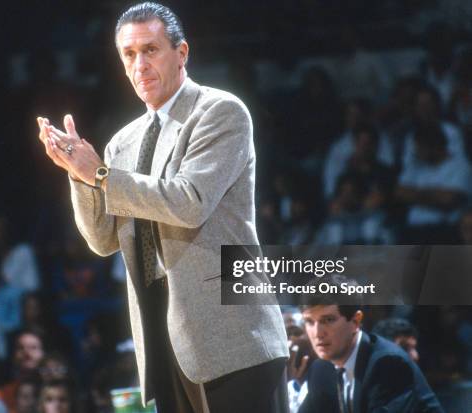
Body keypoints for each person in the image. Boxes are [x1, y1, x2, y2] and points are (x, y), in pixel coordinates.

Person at [35, 2, 289, 412]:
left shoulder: (219, 112)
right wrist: (78, 174)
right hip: (160, 332)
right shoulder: (123, 141)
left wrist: (100, 176)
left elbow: (188, 203)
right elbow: (102, 241)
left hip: (233, 338)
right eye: (129, 54)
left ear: (182, 53)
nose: (140, 64)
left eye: (150, 50)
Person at [298, 276, 443, 413]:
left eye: (328, 320)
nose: (317, 333)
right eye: (309, 322)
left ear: (356, 321)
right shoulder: (321, 369)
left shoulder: (387, 363)